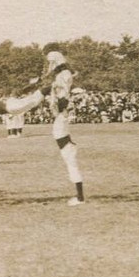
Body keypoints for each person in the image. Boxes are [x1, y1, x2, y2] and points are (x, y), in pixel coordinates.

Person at [44, 49, 85, 205]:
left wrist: (54, 94)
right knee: (72, 171)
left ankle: (80, 198)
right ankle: (79, 196)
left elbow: (59, 105)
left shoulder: (61, 119)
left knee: (73, 171)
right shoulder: (61, 119)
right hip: (67, 145)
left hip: (67, 147)